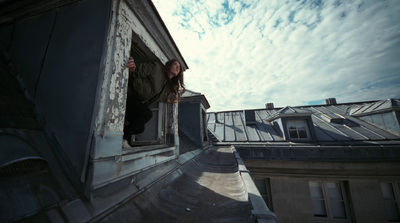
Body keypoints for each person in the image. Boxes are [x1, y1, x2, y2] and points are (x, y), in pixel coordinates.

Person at [124, 57, 185, 146]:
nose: (178, 68)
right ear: (169, 65)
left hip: (136, 103)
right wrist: (132, 68)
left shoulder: (167, 86)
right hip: (127, 95)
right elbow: (136, 71)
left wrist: (169, 100)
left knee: (140, 129)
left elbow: (159, 97)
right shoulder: (156, 68)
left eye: (179, 67)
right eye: (175, 64)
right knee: (147, 114)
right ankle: (122, 138)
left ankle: (124, 135)